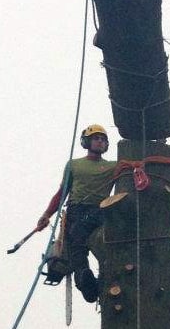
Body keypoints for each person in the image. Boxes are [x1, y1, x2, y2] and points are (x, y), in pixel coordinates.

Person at [38, 125, 116, 302]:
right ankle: (83, 278)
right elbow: (61, 193)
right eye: (96, 138)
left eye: (103, 139)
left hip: (99, 210)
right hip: (76, 210)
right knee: (75, 246)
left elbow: (131, 166)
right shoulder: (74, 165)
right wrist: (46, 215)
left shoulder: (113, 166)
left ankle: (91, 276)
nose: (99, 141)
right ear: (86, 142)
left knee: (80, 233)